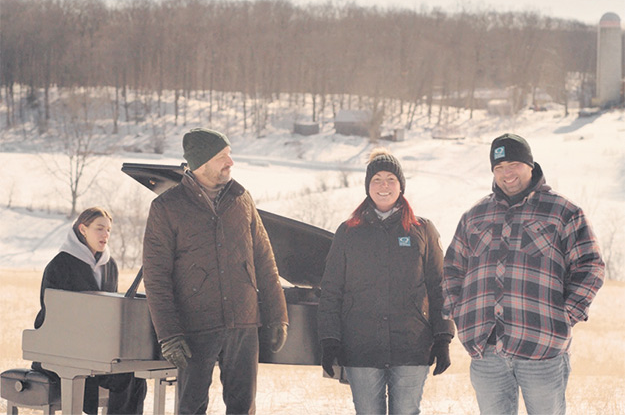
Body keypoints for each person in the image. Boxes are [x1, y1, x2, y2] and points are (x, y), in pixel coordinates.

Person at [443, 133, 605, 415]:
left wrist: (565, 315)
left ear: (530, 165)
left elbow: (590, 266)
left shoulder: (563, 212)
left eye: (514, 164)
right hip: (486, 349)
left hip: (542, 347)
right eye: (499, 167)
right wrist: (460, 312)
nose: (507, 174)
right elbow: (453, 268)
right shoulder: (475, 215)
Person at [142, 127, 289, 415]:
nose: (230, 162)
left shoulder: (242, 199)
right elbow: (156, 277)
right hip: (194, 327)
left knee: (243, 407)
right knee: (191, 407)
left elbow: (264, 260)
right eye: (223, 156)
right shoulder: (166, 208)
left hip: (244, 324)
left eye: (229, 155)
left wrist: (278, 315)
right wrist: (169, 334)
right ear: (201, 163)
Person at [317, 148, 455, 415]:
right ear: (367, 186)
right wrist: (329, 340)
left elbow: (440, 286)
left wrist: (443, 337)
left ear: (401, 186)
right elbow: (331, 291)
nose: (384, 185)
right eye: (376, 179)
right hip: (361, 348)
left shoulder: (422, 230)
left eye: (390, 179)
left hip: (412, 346)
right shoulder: (348, 232)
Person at [32, 206, 147, 415]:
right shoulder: (60, 264)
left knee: (135, 376)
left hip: (97, 350)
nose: (106, 235)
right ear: (82, 229)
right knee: (124, 377)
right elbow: (52, 313)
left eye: (109, 230)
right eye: (100, 228)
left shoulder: (110, 265)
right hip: (60, 348)